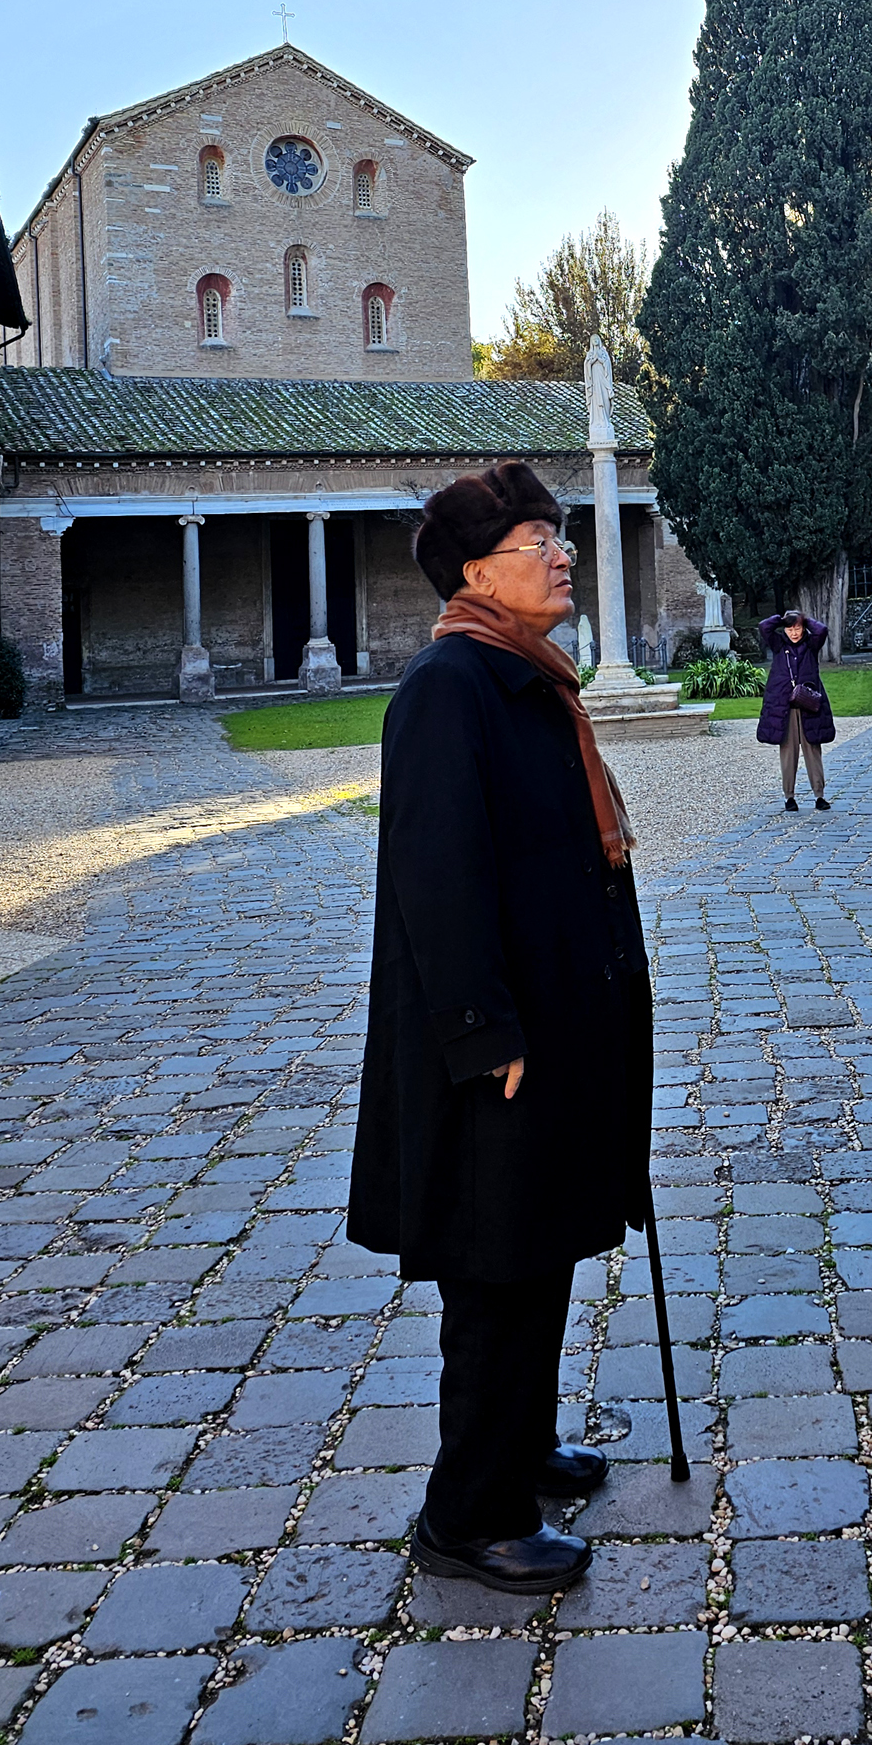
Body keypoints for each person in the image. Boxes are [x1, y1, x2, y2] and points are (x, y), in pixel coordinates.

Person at [347, 460, 653, 1596]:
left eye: (560, 539)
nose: (562, 555)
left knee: (540, 1246)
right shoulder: (448, 688)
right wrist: (482, 1031)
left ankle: (522, 1450)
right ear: (479, 571)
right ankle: (468, 1514)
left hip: (559, 1019)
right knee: (495, 1269)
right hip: (495, 1047)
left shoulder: (528, 677)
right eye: (539, 542)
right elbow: (437, 877)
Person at [756, 608, 836, 812]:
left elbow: (822, 630)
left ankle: (819, 795)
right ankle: (789, 797)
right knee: (788, 752)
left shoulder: (811, 644)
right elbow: (764, 627)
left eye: (797, 628)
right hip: (785, 707)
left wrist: (805, 618)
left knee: (813, 750)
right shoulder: (778, 644)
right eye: (790, 629)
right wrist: (782, 618)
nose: (794, 632)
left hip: (809, 705)